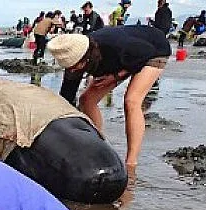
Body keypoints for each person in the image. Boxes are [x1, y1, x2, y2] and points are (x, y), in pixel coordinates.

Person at [49, 26, 171, 169]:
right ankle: (100, 144)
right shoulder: (72, 63)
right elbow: (66, 100)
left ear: (85, 57)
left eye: (75, 66)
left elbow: (145, 52)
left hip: (153, 50)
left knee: (132, 101)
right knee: (86, 100)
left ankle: (131, 162)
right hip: (122, 59)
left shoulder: (114, 45)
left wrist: (115, 76)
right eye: (70, 68)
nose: (73, 71)